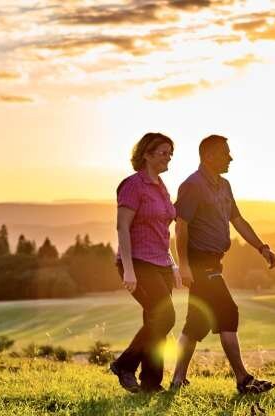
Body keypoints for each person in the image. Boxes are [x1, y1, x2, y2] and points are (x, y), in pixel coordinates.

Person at [170, 135, 275, 394]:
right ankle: (243, 379)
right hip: (199, 262)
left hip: (214, 262)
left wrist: (262, 247)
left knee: (196, 322)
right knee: (228, 311)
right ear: (208, 157)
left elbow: (238, 220)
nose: (231, 158)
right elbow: (181, 226)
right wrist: (183, 265)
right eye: (225, 153)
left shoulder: (225, 185)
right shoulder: (192, 186)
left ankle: (177, 380)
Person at [109, 132, 183, 393]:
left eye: (170, 153)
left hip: (161, 264)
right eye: (163, 152)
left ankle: (151, 383)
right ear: (146, 154)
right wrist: (128, 268)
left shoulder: (161, 187)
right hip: (138, 263)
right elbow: (122, 228)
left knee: (155, 321)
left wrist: (172, 263)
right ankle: (124, 364)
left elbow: (162, 230)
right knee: (165, 316)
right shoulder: (132, 185)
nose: (168, 157)